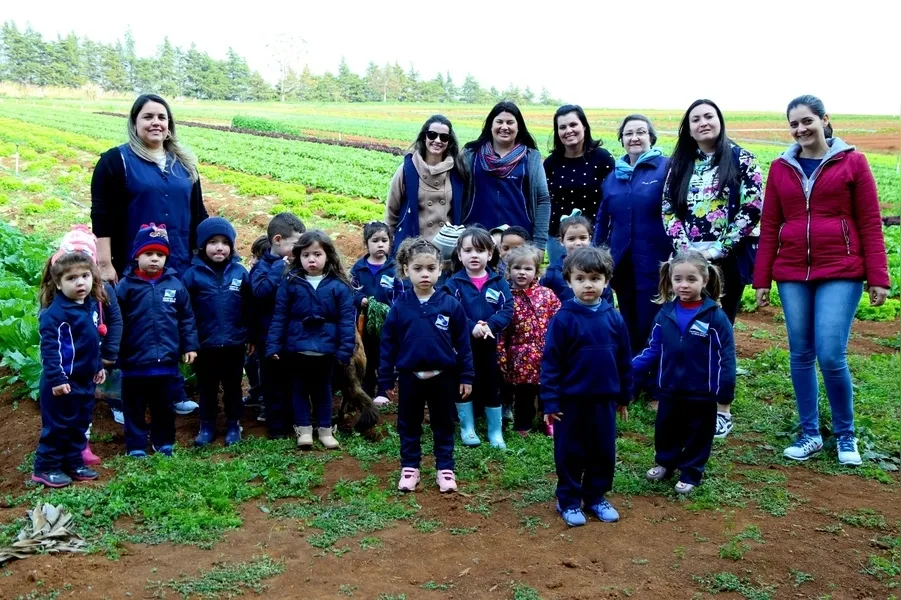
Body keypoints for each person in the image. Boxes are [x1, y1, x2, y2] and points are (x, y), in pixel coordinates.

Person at [754, 95, 890, 466]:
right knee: (800, 353)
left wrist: (878, 276)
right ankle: (810, 433)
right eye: (794, 124)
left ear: (824, 119)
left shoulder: (853, 162)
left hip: (842, 269)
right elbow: (768, 227)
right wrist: (761, 278)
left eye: (807, 121)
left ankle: (846, 436)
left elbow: (869, 222)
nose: (801, 129)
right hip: (792, 270)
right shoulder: (782, 168)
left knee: (830, 353)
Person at [90, 94, 207, 416]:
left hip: (178, 258)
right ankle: (120, 398)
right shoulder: (116, 161)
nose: (156, 122)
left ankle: (172, 391)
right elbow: (101, 215)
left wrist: (210, 252)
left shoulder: (184, 164)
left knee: (167, 324)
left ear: (170, 125)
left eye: (162, 117)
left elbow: (198, 213)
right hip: (132, 262)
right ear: (134, 123)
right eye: (148, 117)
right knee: (128, 327)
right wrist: (104, 263)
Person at [661, 99, 762, 439]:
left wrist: (720, 248)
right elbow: (668, 209)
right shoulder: (681, 164)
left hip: (726, 261)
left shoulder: (742, 159)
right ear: (687, 128)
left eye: (708, 116)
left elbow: (752, 207)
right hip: (690, 263)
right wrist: (687, 250)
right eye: (695, 119)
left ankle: (721, 409)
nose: (703, 122)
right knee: (688, 329)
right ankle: (691, 398)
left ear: (719, 120)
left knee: (720, 331)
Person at [541, 247, 632, 527]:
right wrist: (550, 401)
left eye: (595, 278)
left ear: (606, 281)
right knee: (570, 453)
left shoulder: (614, 317)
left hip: (604, 401)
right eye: (581, 278)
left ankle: (595, 496)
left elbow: (624, 359)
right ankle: (568, 500)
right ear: (569, 281)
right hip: (570, 403)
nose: (588, 284)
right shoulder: (563, 319)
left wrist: (625, 396)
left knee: (602, 451)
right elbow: (551, 364)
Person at [375, 238, 474, 493]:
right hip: (410, 377)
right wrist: (385, 380)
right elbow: (387, 347)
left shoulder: (450, 304)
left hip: (443, 377)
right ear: (406, 270)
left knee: (443, 423)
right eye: (418, 268)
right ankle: (410, 468)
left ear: (440, 269)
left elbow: (463, 344)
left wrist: (466, 376)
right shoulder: (399, 308)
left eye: (431, 268)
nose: (425, 274)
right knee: (408, 423)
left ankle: (445, 469)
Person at [633, 251, 735, 494]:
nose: (684, 285)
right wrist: (628, 369)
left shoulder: (715, 317)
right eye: (678, 279)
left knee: (699, 434)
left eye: (691, 279)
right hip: (668, 387)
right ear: (670, 280)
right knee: (666, 428)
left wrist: (725, 391)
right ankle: (665, 462)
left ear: (705, 280)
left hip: (703, 392)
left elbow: (726, 356)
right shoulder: (665, 313)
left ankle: (691, 471)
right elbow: (652, 349)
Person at [267, 230, 355, 450]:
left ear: (328, 256)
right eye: (306, 255)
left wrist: (345, 350)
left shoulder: (339, 285)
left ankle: (325, 429)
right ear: (299, 257)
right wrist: (274, 345)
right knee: (298, 389)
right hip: (296, 348)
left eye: (317, 254)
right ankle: (304, 430)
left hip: (325, 349)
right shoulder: (291, 282)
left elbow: (346, 320)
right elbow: (280, 316)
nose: (312, 259)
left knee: (323, 390)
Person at [116, 224, 199, 458]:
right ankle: (135, 445)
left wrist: (190, 345)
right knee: (134, 407)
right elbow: (116, 321)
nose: (155, 260)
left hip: (166, 361)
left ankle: (164, 442)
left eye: (160, 255)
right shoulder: (126, 286)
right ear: (137, 256)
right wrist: (115, 352)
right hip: (134, 362)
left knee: (164, 406)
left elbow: (186, 317)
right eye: (149, 254)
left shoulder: (175, 284)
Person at [594, 114, 672, 360]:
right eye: (628, 133)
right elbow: (602, 219)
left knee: (653, 316)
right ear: (622, 140)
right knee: (628, 315)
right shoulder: (614, 176)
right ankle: (633, 373)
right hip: (622, 260)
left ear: (651, 137)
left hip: (655, 259)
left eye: (641, 132)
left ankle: (654, 377)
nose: (634, 137)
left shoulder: (666, 168)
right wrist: (596, 254)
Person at [32, 248, 111, 487]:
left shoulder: (87, 306)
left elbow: (90, 342)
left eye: (85, 276)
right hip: (62, 382)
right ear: (57, 283)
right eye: (71, 278)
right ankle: (46, 467)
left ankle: (73, 462)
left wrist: (98, 365)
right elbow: (50, 349)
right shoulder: (55, 314)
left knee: (79, 424)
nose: (80, 283)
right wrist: (57, 378)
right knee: (58, 426)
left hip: (84, 379)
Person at [182, 217, 253, 447]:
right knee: (207, 387)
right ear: (202, 245)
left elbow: (249, 307)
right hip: (205, 344)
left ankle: (234, 424)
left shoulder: (240, 273)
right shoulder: (192, 275)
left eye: (225, 242)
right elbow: (186, 313)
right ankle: (207, 425)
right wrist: (190, 343)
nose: (219, 247)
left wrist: (250, 335)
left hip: (234, 343)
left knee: (233, 386)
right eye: (213, 242)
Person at [441, 227, 514, 449]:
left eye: (480, 250)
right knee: (464, 383)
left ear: (490, 255)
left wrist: (490, 324)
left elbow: (508, 309)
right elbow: (450, 311)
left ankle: (495, 431)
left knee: (491, 385)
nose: (474, 255)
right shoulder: (453, 284)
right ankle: (467, 428)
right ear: (460, 255)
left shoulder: (499, 282)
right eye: (468, 250)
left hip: (491, 345)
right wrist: (472, 327)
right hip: (463, 347)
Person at [462, 102, 551, 254]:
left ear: (518, 127)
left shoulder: (531, 158)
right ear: (490, 126)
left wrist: (540, 244)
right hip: (476, 239)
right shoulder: (471, 155)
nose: (504, 127)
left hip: (519, 241)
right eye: (499, 122)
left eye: (510, 122)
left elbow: (543, 200)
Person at [250, 212, 306, 439]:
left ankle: (296, 420)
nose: (299, 249)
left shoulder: (296, 266)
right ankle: (276, 426)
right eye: (296, 244)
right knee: (272, 382)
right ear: (278, 240)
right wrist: (278, 269)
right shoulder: (263, 267)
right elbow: (260, 292)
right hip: (267, 337)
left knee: (293, 380)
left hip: (292, 335)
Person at [497, 246, 561, 436]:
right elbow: (502, 331)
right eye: (517, 268)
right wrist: (501, 355)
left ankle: (548, 421)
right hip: (520, 357)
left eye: (527, 268)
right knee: (524, 394)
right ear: (508, 271)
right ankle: (523, 424)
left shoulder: (547, 295)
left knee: (547, 392)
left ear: (536, 271)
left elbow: (559, 319)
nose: (522, 272)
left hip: (547, 354)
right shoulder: (506, 298)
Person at [544, 105, 615, 264]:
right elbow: (544, 200)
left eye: (573, 125)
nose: (568, 130)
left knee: (592, 282)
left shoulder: (602, 159)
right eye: (562, 127)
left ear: (584, 126)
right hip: (559, 238)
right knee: (561, 282)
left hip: (594, 236)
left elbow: (613, 197)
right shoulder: (551, 163)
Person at [386, 115, 466, 250]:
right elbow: (392, 211)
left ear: (449, 142)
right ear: (424, 137)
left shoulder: (457, 171)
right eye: (432, 135)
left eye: (444, 137)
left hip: (446, 250)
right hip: (413, 247)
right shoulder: (407, 170)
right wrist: (390, 243)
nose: (438, 140)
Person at [350, 221, 398, 397]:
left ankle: (385, 390)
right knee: (367, 355)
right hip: (365, 323)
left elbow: (400, 293)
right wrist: (360, 299)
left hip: (388, 324)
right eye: (375, 240)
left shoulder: (394, 268)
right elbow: (351, 291)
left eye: (384, 240)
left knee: (385, 355)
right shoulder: (359, 268)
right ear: (366, 244)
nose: (380, 244)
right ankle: (367, 387)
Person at [541, 214, 613, 305]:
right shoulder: (553, 272)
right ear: (562, 241)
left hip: (594, 317)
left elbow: (608, 300)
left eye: (582, 238)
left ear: (589, 239)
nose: (578, 243)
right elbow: (542, 301)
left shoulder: (599, 266)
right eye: (571, 239)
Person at [243, 235, 270, 417]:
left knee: (264, 369)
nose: (252, 262)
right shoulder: (253, 278)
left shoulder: (273, 282)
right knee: (250, 362)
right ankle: (256, 393)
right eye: (252, 257)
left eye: (257, 258)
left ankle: (265, 401)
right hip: (256, 333)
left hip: (268, 334)